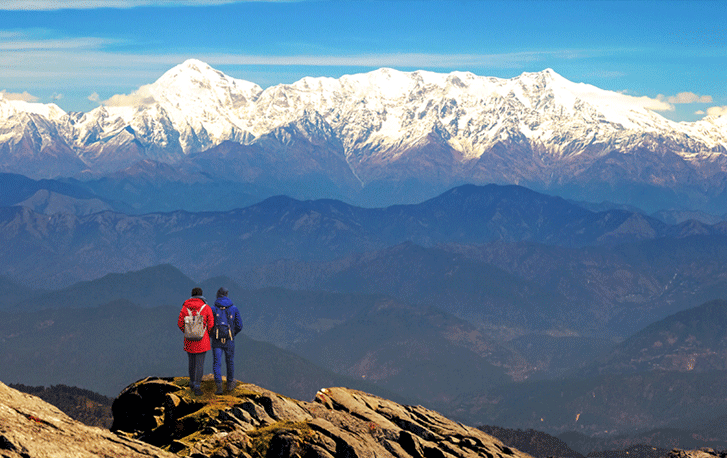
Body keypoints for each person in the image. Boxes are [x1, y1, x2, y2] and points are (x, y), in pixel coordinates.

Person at [178, 287, 214, 396]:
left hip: (189, 341)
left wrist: (188, 332)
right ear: (201, 295)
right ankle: (197, 386)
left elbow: (180, 323)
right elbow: (211, 324)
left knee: (191, 362)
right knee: (199, 364)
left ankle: (192, 382)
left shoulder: (185, 307)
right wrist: (205, 332)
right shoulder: (206, 307)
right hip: (202, 340)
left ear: (192, 295)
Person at [211, 287, 243, 395]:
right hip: (229, 340)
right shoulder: (233, 308)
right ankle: (230, 384)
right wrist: (232, 334)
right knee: (230, 361)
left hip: (216, 341)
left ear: (217, 295)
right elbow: (239, 325)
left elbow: (209, 325)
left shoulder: (213, 309)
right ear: (227, 294)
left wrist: (213, 335)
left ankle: (219, 387)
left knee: (217, 363)